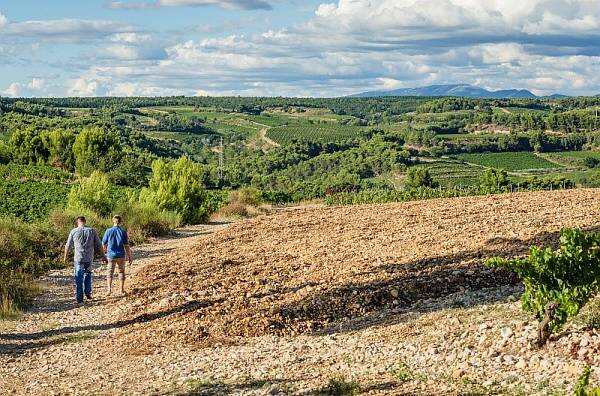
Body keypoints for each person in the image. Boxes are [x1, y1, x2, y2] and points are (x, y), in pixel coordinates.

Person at [64, 216, 106, 304]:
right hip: (89, 257)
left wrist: (65, 257)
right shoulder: (91, 231)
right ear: (85, 221)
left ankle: (79, 299)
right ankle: (88, 293)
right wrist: (103, 256)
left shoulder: (73, 231)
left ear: (77, 222)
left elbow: (68, 245)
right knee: (88, 274)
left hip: (78, 258)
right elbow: (99, 244)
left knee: (78, 277)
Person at [102, 215, 133, 296]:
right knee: (121, 272)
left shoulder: (108, 231)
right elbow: (126, 245)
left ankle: (109, 290)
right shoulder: (123, 231)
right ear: (120, 222)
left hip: (111, 255)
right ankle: (121, 290)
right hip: (121, 255)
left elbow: (104, 244)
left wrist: (103, 255)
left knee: (109, 272)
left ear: (113, 221)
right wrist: (129, 256)